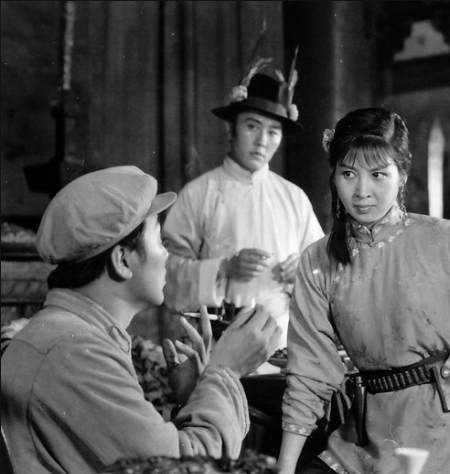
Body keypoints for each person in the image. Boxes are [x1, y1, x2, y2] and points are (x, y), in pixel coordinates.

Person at [276, 108, 450, 474]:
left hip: (449, 431)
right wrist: (284, 469)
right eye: (348, 174)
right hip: (365, 439)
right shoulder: (318, 261)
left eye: (378, 174)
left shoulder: (445, 240)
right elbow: (309, 373)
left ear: (402, 176)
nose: (362, 191)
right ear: (334, 177)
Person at [0, 166, 281, 473]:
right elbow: (180, 470)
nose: (167, 256)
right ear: (122, 260)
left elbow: (148, 458)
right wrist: (225, 371)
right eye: (159, 240)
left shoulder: (70, 333)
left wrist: (198, 396)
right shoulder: (76, 351)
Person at [161, 64, 324, 354]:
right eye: (252, 126)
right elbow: (165, 276)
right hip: (217, 343)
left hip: (284, 344)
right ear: (230, 127)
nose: (262, 141)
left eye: (273, 131)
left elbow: (326, 272)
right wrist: (223, 268)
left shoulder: (294, 198)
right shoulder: (199, 193)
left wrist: (304, 271)